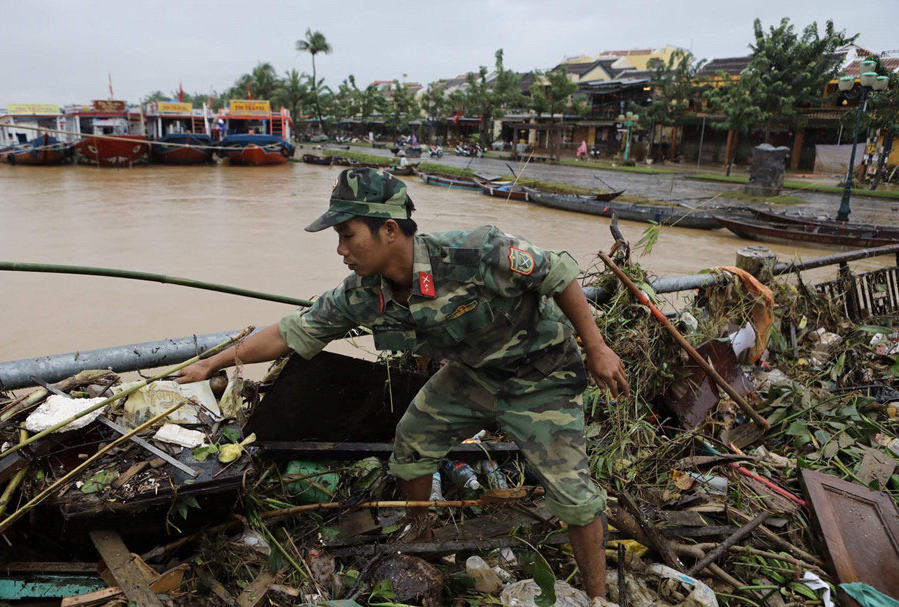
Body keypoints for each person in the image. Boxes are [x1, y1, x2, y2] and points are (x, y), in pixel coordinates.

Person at [177, 168, 629, 599]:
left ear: (389, 230)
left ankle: (596, 598)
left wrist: (597, 348)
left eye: (347, 234)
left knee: (573, 497)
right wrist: (212, 362)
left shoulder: (476, 251)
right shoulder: (362, 292)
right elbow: (291, 332)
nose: (341, 250)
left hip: (541, 375)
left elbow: (561, 274)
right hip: (473, 375)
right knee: (412, 444)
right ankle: (423, 539)